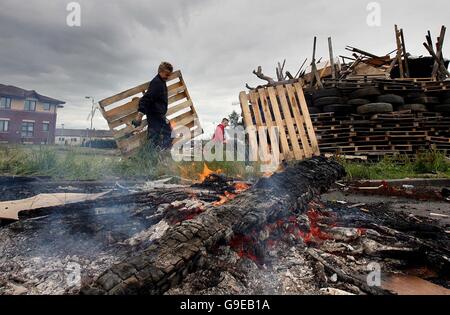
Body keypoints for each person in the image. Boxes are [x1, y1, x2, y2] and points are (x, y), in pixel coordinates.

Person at [134, 62, 174, 150]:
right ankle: (154, 155)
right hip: (155, 116)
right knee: (157, 137)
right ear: (160, 71)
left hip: (158, 116)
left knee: (158, 136)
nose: (168, 77)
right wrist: (139, 115)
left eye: (169, 75)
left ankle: (156, 155)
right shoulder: (157, 83)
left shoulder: (161, 81)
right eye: (166, 74)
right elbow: (146, 99)